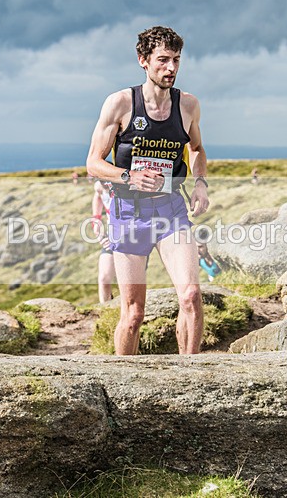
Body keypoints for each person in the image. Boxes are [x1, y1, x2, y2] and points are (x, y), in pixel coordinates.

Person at [86, 26, 209, 355]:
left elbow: (196, 149)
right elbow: (93, 163)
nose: (171, 68)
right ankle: (120, 384)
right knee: (133, 314)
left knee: (191, 297)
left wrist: (200, 184)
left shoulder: (188, 105)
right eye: (163, 60)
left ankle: (191, 378)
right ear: (143, 60)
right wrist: (129, 177)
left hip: (171, 211)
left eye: (177, 60)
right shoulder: (121, 104)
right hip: (129, 213)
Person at [91, 179, 116, 303]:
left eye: (108, 182)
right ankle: (105, 312)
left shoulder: (123, 187)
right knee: (104, 278)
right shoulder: (98, 186)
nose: (106, 185)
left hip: (133, 238)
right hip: (111, 236)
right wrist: (96, 219)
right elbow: (98, 195)